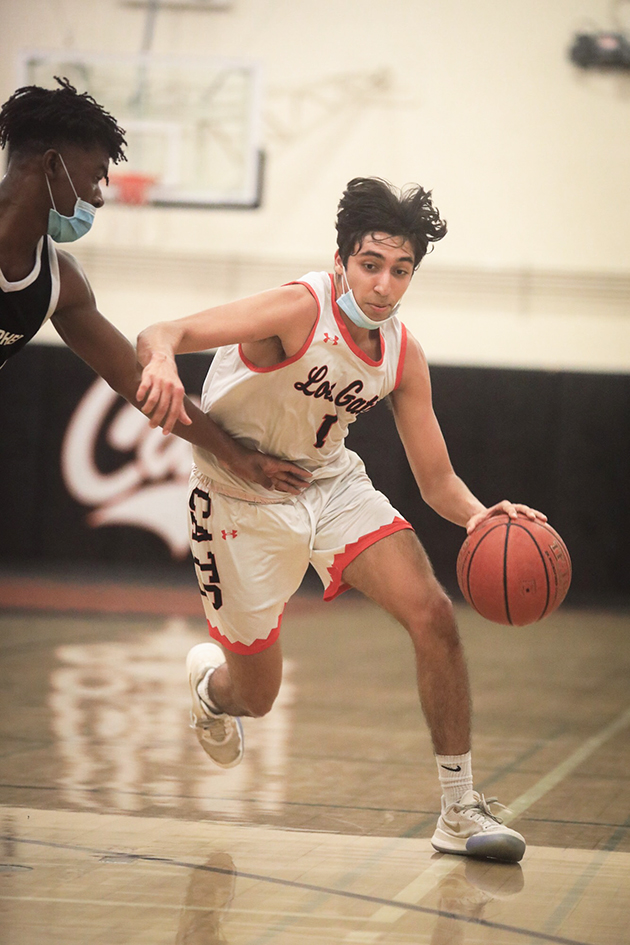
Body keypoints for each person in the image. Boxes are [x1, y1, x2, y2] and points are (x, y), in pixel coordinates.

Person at [136, 176, 547, 863]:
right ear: (341, 262)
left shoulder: (403, 355)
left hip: (327, 482)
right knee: (256, 695)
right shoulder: (297, 309)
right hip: (237, 495)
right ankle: (212, 691)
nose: (386, 284)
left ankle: (458, 810)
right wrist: (159, 360)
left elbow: (436, 479)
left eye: (401, 269)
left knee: (433, 613)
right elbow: (164, 330)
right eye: (371, 265)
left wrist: (482, 516)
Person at [0, 77, 308, 495]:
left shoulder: (62, 282)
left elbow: (132, 377)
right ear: (52, 166)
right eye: (95, 177)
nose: (99, 198)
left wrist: (238, 457)